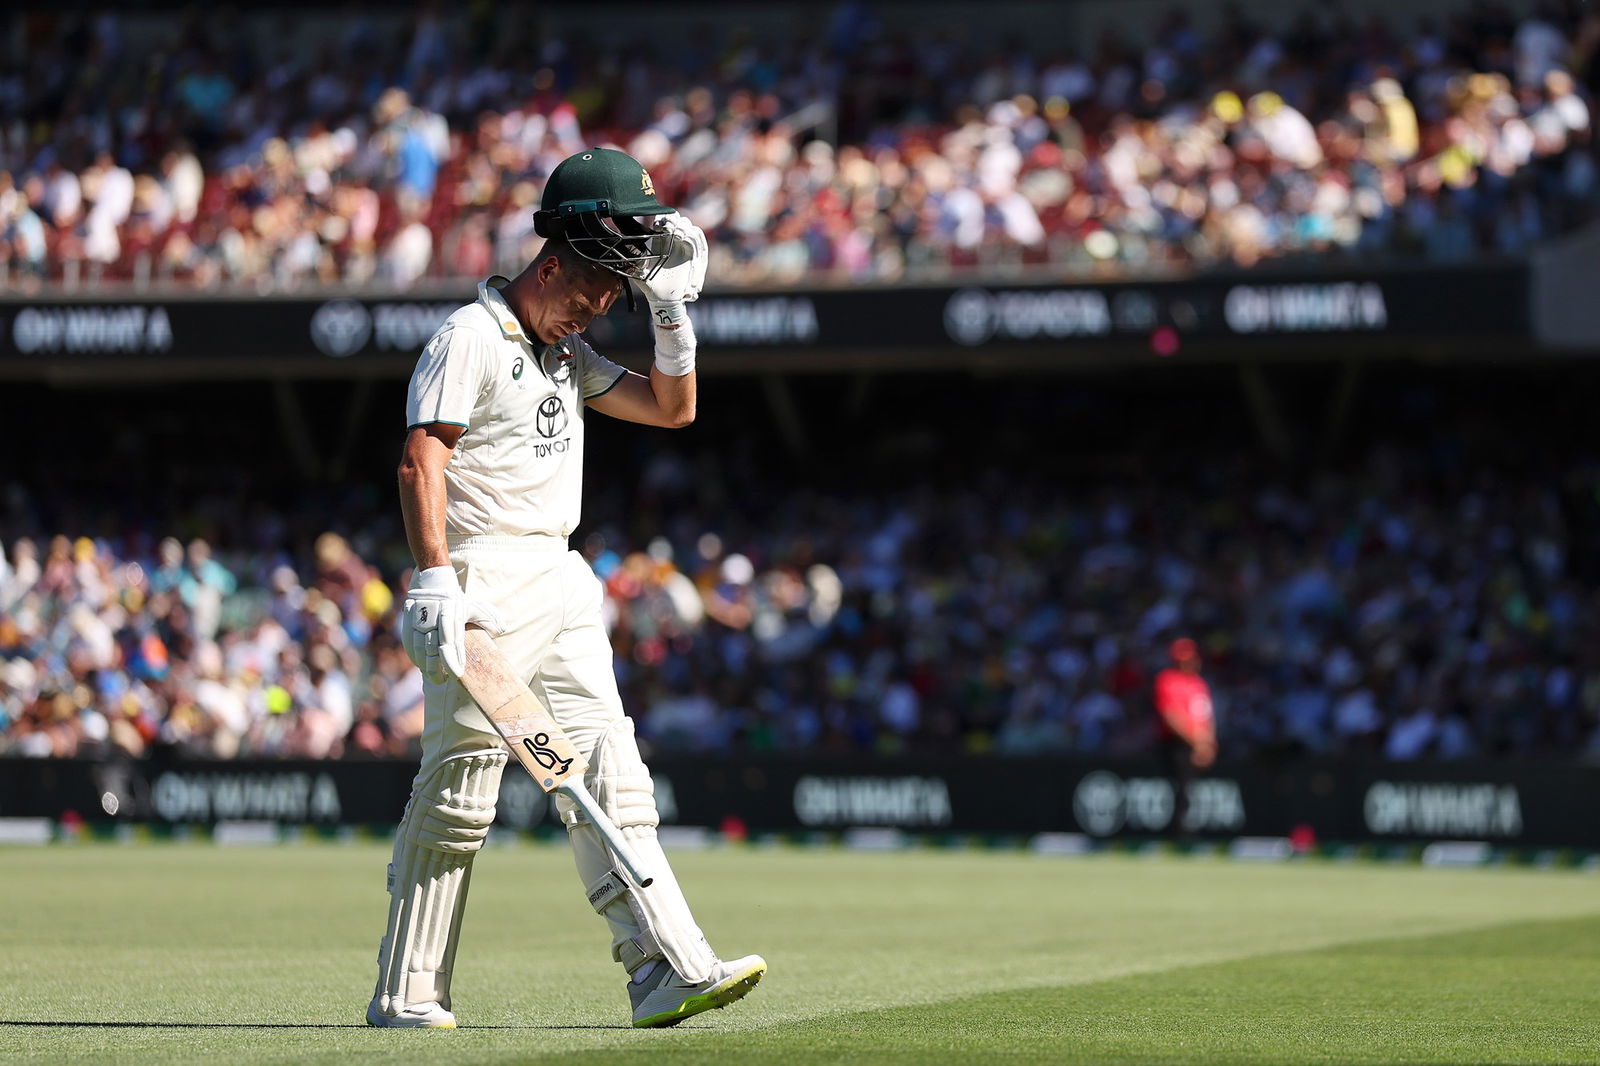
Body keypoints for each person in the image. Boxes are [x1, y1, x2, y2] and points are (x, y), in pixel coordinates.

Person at [368, 147, 765, 1030]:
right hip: (482, 583)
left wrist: (672, 312)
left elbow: (673, 408)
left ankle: (663, 970)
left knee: (612, 779)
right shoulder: (468, 338)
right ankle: (407, 991)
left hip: (560, 577)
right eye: (599, 291)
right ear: (554, 265)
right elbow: (420, 459)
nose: (603, 307)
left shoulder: (568, 353)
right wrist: (435, 579)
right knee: (463, 790)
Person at [1152, 637, 1215, 836]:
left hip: (1199, 746)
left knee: (1193, 790)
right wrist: (1197, 742)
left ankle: (1189, 832)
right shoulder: (1168, 679)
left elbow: (1206, 716)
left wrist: (1208, 744)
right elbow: (1171, 716)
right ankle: (1178, 834)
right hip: (1177, 744)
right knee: (1179, 789)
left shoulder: (1198, 683)